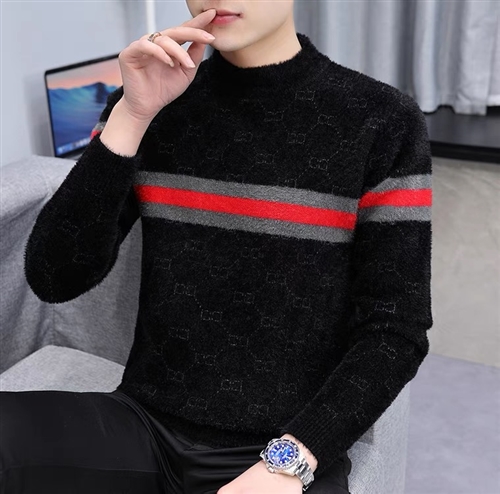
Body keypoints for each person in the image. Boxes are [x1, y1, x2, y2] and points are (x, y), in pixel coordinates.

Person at [0, 1, 434, 493]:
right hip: (143, 424)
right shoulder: (150, 101)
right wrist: (132, 116)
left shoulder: (381, 120)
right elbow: (54, 278)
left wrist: (288, 463)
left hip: (280, 448)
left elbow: (396, 329)